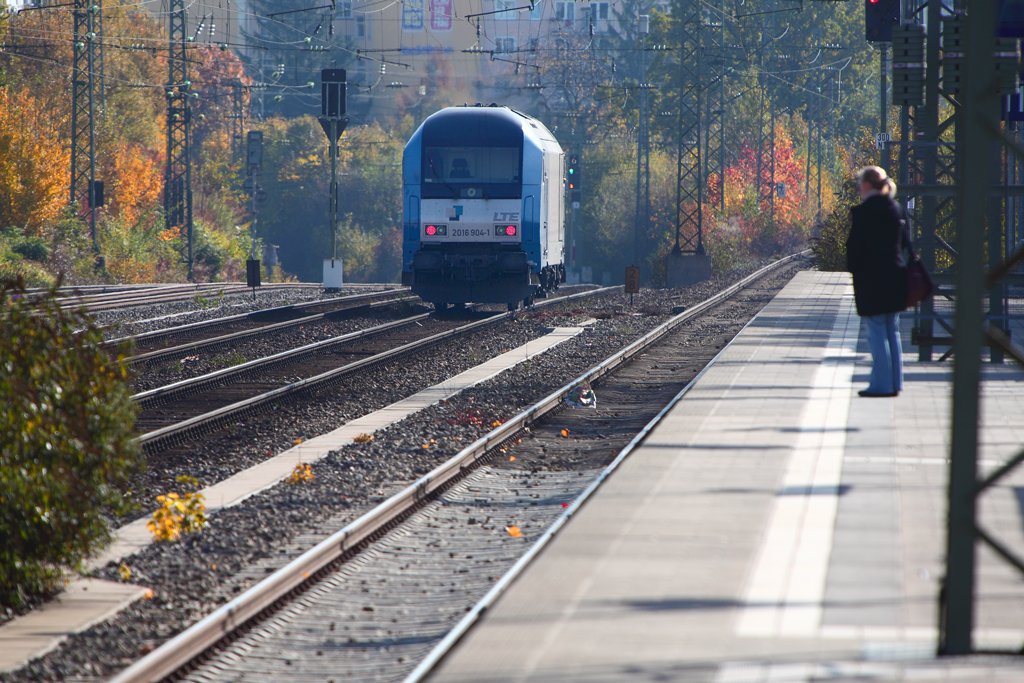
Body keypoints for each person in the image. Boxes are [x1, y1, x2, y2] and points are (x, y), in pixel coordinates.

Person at [846, 166, 909, 397]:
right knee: (893, 331)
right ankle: (895, 383)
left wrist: (854, 268)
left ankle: (881, 385)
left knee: (876, 333)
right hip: (895, 277)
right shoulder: (896, 209)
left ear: (866, 185)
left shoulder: (865, 212)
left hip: (872, 281)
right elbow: (905, 244)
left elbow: (855, 249)